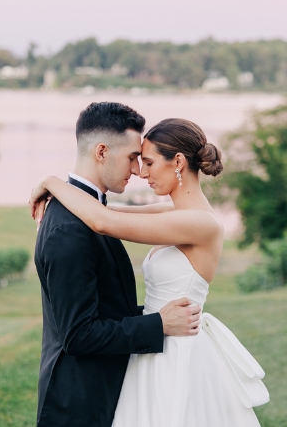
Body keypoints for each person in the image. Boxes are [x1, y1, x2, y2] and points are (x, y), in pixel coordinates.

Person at [30, 116, 269, 427]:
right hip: (154, 340)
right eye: (137, 160)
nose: (141, 173)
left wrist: (51, 182)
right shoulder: (178, 213)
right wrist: (64, 192)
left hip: (176, 348)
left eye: (149, 162)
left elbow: (104, 222)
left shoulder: (202, 224)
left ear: (178, 162)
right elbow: (106, 211)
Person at [31, 103, 203, 427]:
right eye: (132, 157)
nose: (138, 170)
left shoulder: (93, 214)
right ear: (101, 152)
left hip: (101, 395)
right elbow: (79, 335)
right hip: (78, 405)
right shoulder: (70, 228)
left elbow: (105, 308)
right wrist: (158, 324)